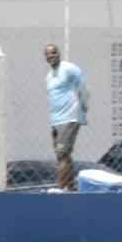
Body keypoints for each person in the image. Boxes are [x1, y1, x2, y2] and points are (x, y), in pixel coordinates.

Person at [45, 44, 89, 192]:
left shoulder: (69, 69)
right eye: (48, 54)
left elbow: (83, 88)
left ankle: (62, 187)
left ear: (59, 53)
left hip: (69, 117)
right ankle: (70, 186)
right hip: (56, 120)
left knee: (62, 153)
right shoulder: (49, 76)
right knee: (62, 155)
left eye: (54, 53)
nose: (51, 56)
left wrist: (84, 107)